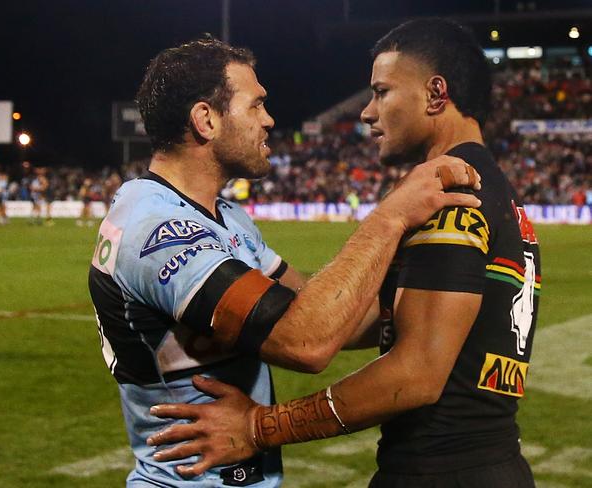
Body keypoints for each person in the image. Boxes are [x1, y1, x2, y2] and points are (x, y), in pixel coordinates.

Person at [147, 20, 541, 488]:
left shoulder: (451, 195)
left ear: (436, 94)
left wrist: (259, 426)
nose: (367, 112)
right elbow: (369, 320)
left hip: (441, 473)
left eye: (382, 91)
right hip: (487, 464)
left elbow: (416, 374)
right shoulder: (493, 189)